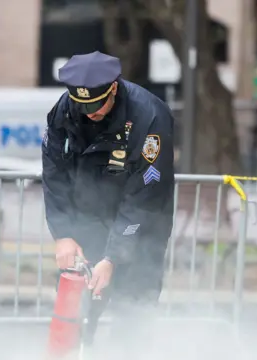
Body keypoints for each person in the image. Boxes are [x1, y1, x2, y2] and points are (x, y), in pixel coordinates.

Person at [41, 51, 176, 354]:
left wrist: (113, 256)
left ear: (113, 88)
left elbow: (145, 194)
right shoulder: (64, 111)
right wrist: (63, 234)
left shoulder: (150, 117)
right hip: (88, 218)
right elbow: (54, 174)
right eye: (83, 105)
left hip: (142, 225)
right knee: (77, 308)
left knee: (134, 312)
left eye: (97, 105)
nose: (90, 113)